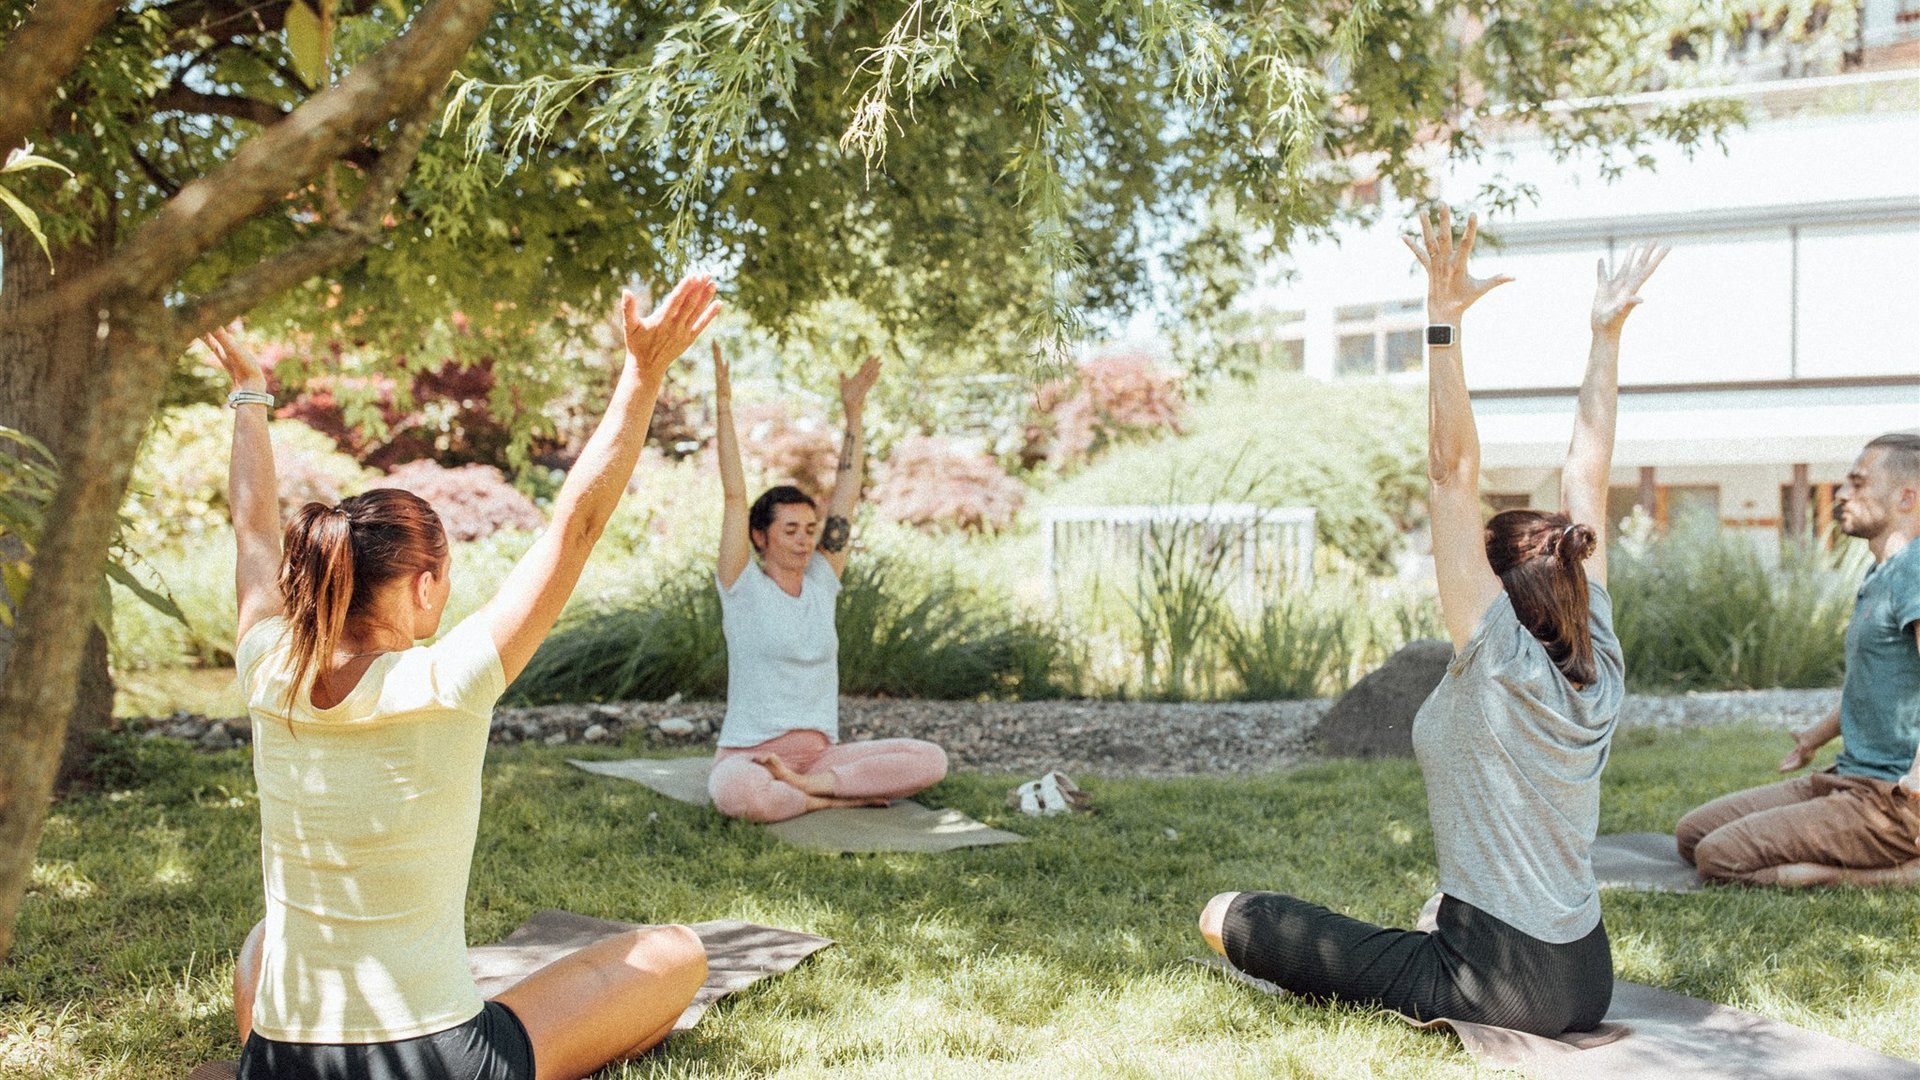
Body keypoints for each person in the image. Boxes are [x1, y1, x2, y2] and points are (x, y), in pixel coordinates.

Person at [209, 274, 721, 1080]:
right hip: (445, 1061)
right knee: (676, 952)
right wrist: (642, 372)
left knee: (264, 941)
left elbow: (251, 532)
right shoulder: (451, 680)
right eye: (446, 573)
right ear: (422, 584)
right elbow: (575, 527)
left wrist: (249, 392)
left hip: (282, 1062)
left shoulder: (267, 671)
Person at [1198, 209, 1667, 1037]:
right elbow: (1587, 473)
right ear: (1565, 571)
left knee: (1225, 912)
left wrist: (1441, 320)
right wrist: (1606, 336)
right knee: (1432, 907)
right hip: (1586, 974)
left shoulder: (1497, 656)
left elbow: (1453, 474)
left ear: (1497, 585)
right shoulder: (1600, 655)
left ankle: (1418, 948)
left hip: (1496, 985)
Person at [705, 342, 948, 822]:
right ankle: (835, 797)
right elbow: (735, 495)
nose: (803, 541)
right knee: (744, 796)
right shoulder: (741, 586)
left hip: (819, 759)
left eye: (809, 530)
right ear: (760, 536)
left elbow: (846, 496)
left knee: (931, 759)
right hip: (748, 758)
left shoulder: (821, 581)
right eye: (789, 530)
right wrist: (725, 403)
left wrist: (853, 413)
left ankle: (809, 787)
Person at [1674, 432, 1920, 887]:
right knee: (1692, 835)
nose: (1842, 493)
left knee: (1719, 858)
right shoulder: (1882, 572)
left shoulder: (1917, 571)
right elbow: (1881, 682)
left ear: (1907, 496)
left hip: (1893, 801)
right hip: (1848, 778)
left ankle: (1898, 875)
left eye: (1858, 483)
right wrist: (1815, 737)